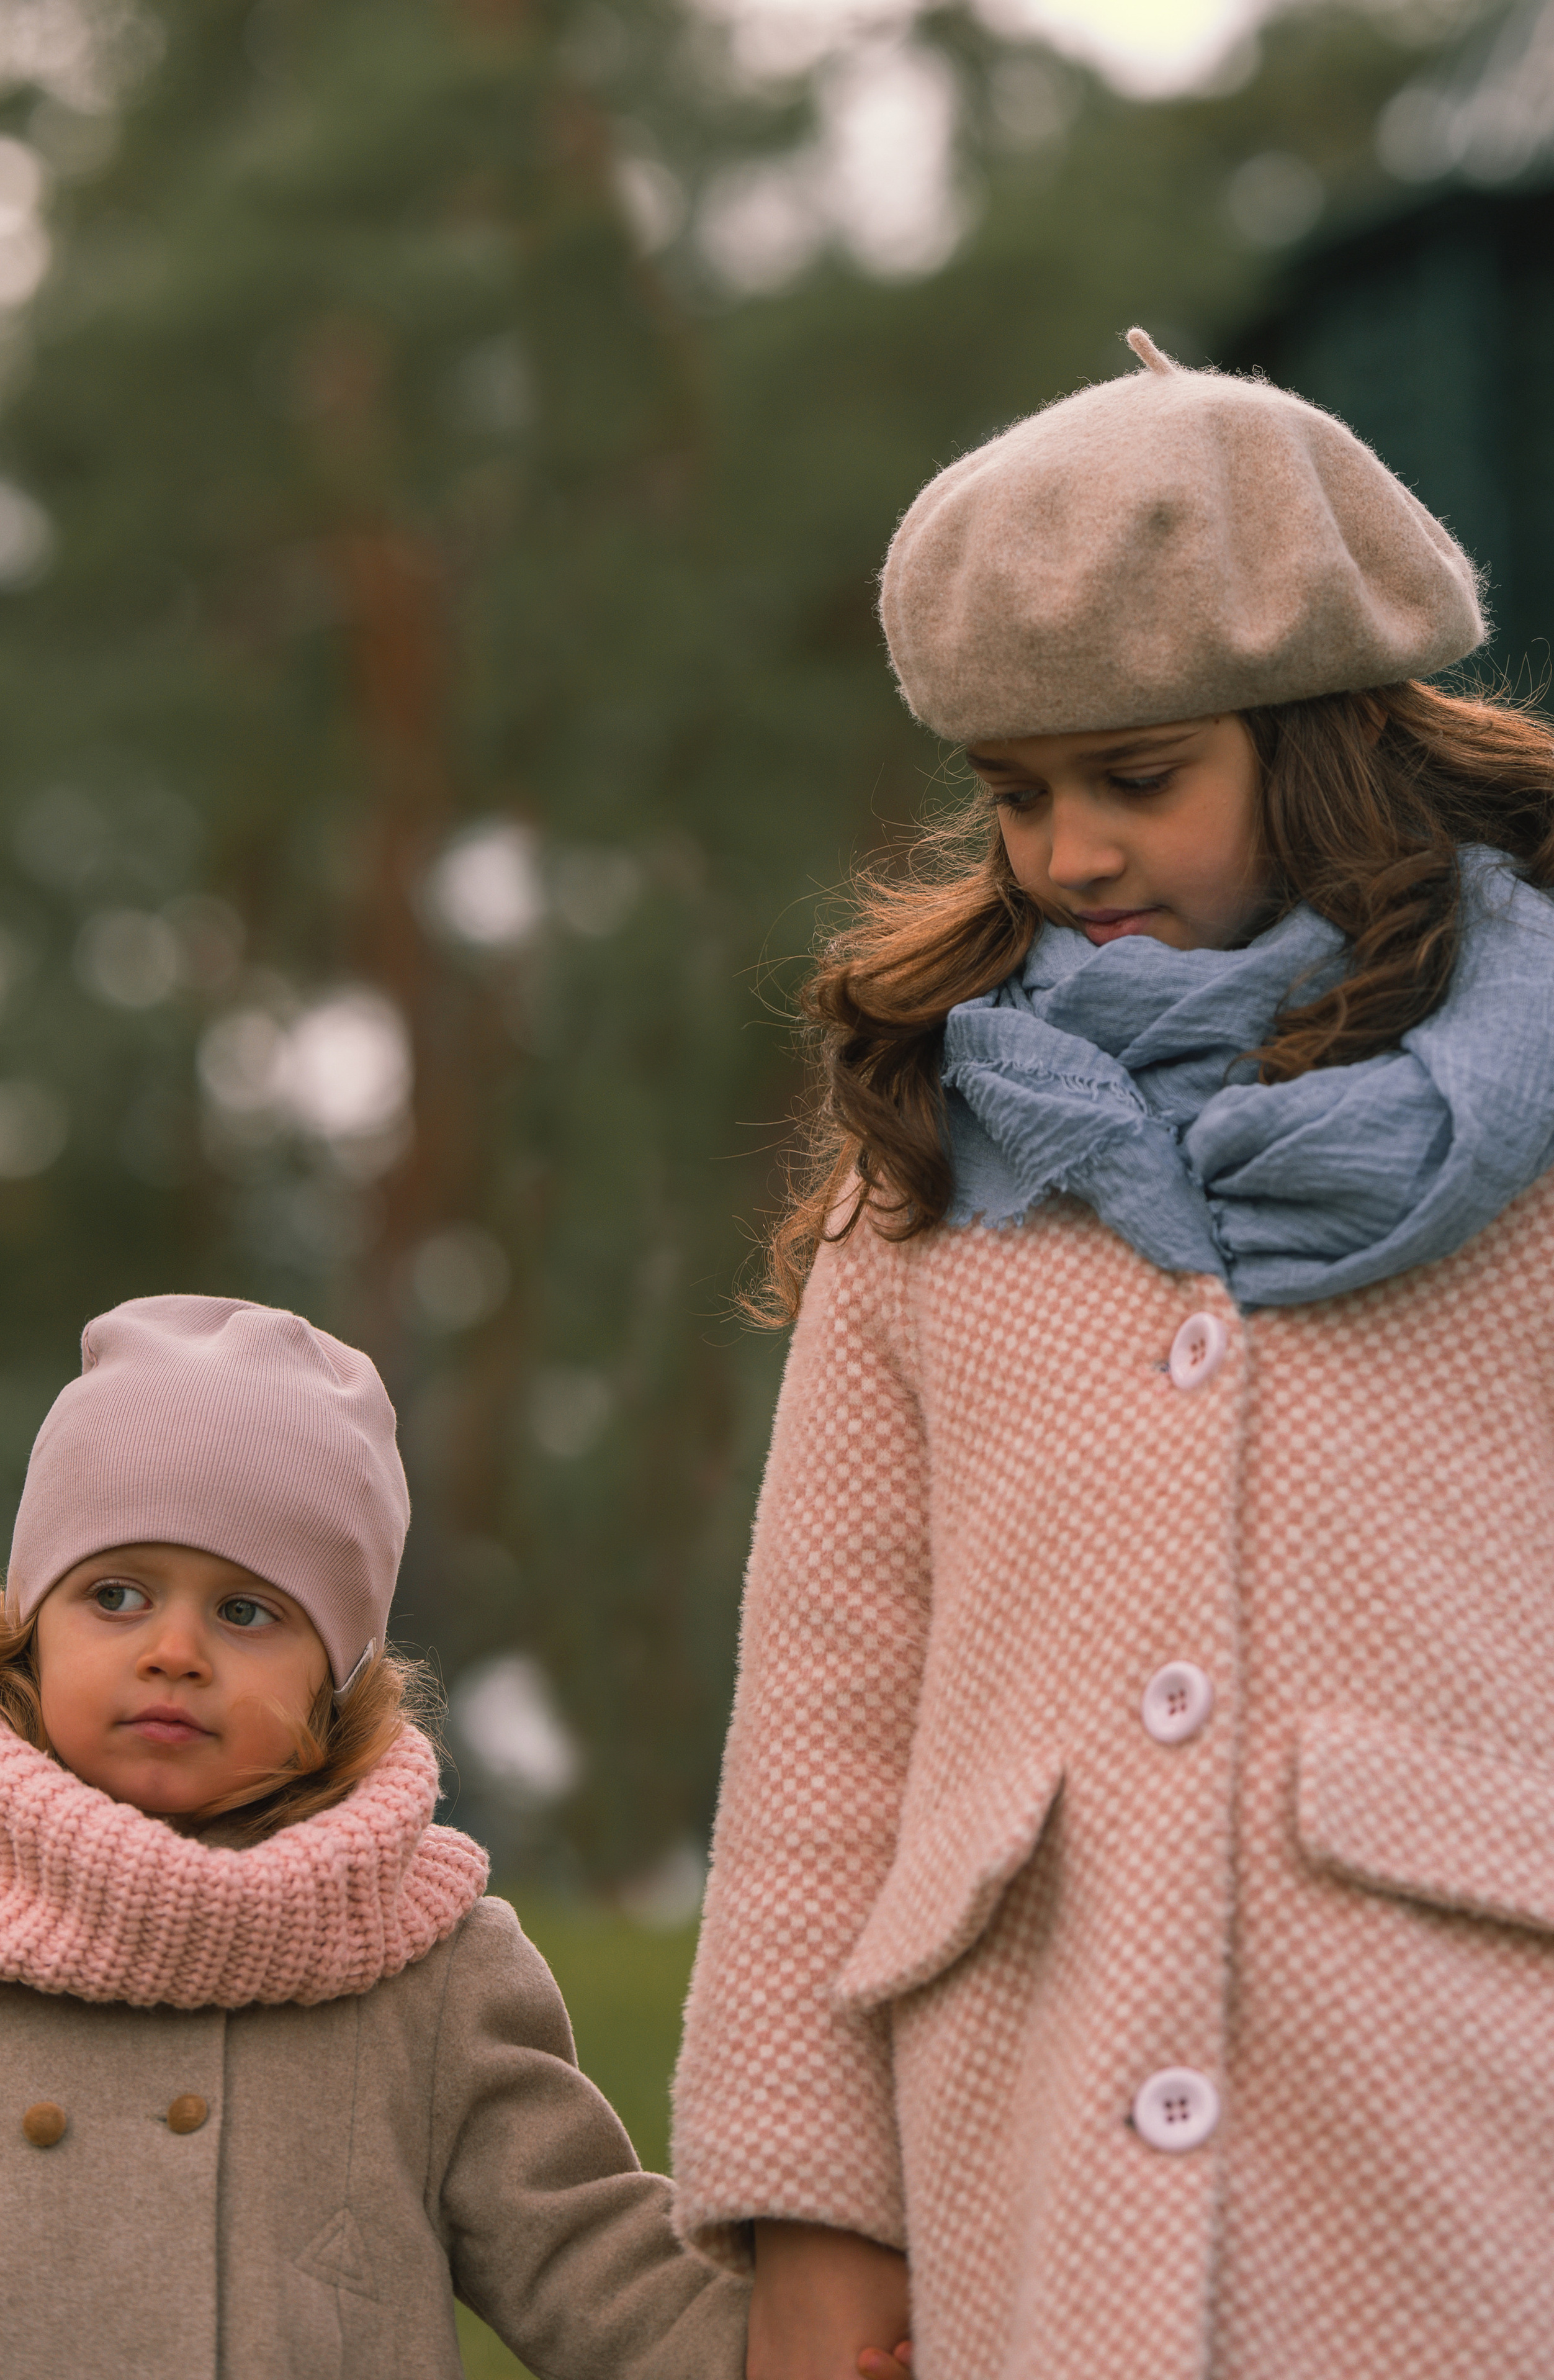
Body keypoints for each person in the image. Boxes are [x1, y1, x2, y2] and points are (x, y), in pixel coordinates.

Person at [671, 329, 1554, 2380]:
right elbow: (825, 1718)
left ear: (1323, 742)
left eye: (1138, 779)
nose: (1069, 854)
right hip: (1029, 2143)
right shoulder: (932, 1162)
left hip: (1467, 2135)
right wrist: (809, 2209)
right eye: (1017, 794)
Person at [0, 1292, 750, 2380]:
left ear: (335, 1683)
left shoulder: (422, 1961)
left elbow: (591, 2253)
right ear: (30, 1632)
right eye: (115, 1593)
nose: (174, 1650)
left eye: (246, 1611)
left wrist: (804, 2335)